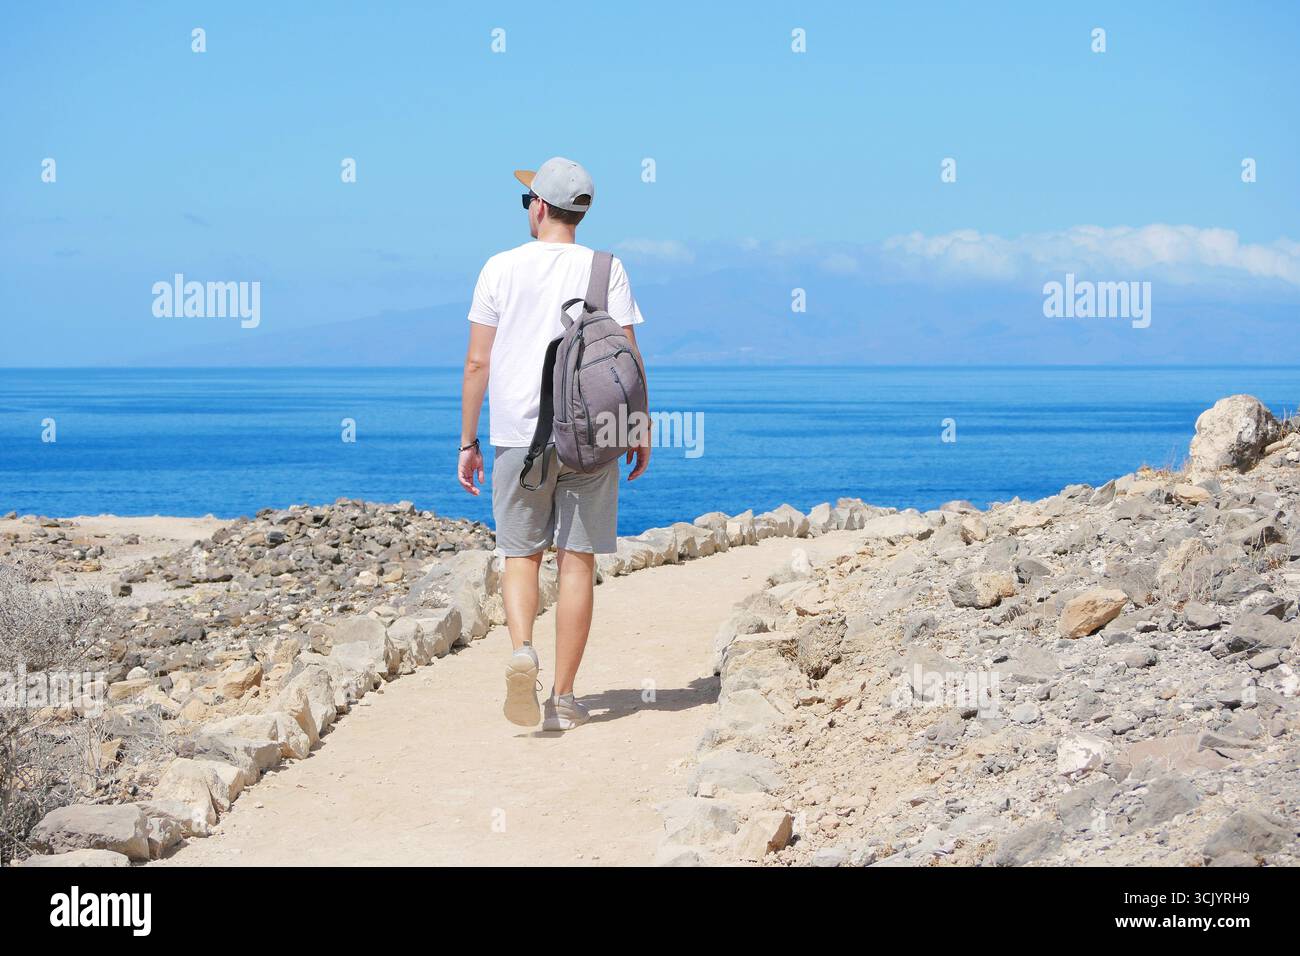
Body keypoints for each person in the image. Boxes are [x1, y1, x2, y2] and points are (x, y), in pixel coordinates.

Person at [457, 157, 650, 731]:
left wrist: (467, 441)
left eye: (527, 202)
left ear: (539, 207)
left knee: (521, 555)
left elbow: (476, 363)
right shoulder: (606, 268)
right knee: (576, 562)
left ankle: (522, 650)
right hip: (592, 434)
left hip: (519, 435)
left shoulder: (499, 268)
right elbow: (628, 360)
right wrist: (636, 431)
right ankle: (564, 698)